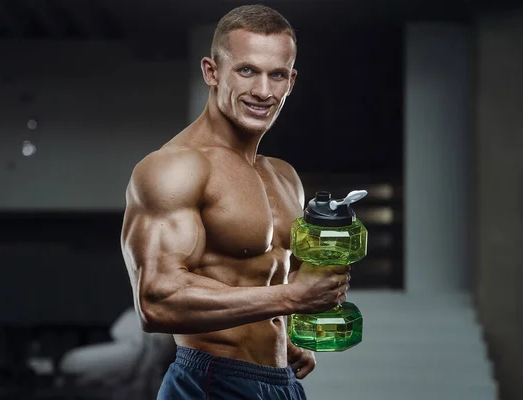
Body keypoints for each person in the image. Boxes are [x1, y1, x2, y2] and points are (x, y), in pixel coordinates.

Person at [120, 4, 351, 399]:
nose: (263, 91)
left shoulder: (284, 176)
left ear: (291, 81)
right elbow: (157, 300)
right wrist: (290, 296)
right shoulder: (176, 168)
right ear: (212, 71)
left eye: (276, 75)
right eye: (246, 70)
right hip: (211, 380)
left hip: (281, 383)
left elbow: (272, 280)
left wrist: (285, 341)